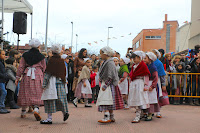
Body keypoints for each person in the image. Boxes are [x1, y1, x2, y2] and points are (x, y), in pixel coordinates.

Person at [15, 38, 46, 121]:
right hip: (38, 75)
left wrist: (17, 77)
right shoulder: (41, 56)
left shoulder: (25, 55)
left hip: (27, 74)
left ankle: (23, 111)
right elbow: (44, 68)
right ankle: (36, 109)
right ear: (39, 46)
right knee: (37, 92)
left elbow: (21, 67)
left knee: (26, 92)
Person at [40, 45, 69, 124]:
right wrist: (64, 81)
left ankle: (49, 118)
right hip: (60, 82)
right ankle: (65, 112)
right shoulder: (62, 61)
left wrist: (44, 84)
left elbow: (48, 73)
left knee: (49, 100)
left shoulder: (51, 60)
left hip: (51, 82)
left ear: (52, 51)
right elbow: (64, 73)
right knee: (61, 99)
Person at [96, 46, 124, 123]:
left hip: (108, 85)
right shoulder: (107, 62)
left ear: (106, 54)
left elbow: (110, 76)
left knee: (106, 101)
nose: (100, 55)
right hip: (109, 84)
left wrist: (105, 85)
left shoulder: (110, 63)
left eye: (101, 54)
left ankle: (106, 116)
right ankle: (111, 116)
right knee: (110, 102)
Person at [128, 51, 150, 123]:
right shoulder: (134, 66)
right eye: (133, 58)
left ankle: (138, 115)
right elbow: (132, 75)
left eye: (135, 58)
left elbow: (146, 76)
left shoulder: (143, 66)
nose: (134, 60)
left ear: (139, 58)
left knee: (139, 99)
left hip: (139, 84)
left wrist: (146, 85)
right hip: (134, 84)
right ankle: (139, 114)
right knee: (135, 98)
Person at [143, 52, 159, 121]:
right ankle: (146, 113)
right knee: (146, 99)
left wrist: (152, 86)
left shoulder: (153, 67)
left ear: (150, 59)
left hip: (150, 84)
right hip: (146, 84)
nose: (144, 59)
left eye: (145, 58)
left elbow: (156, 78)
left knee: (151, 100)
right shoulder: (145, 66)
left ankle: (150, 114)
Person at [152, 49, 166, 118]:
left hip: (157, 81)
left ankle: (158, 112)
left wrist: (163, 84)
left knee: (157, 96)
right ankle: (151, 111)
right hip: (150, 81)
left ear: (157, 55)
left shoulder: (159, 63)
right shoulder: (149, 62)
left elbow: (162, 74)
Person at [0, 49, 10, 114]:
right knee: (3, 92)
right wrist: (4, 75)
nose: (4, 56)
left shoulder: (2, 62)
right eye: (2, 54)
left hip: (2, 80)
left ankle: (2, 107)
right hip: (1, 80)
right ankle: (1, 107)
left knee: (3, 92)